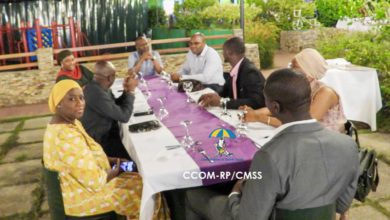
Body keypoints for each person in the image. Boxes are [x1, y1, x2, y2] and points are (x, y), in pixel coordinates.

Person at [185, 68, 359, 220]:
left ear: (274, 107)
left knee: (191, 194)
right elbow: (342, 205)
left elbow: (248, 217)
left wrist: (234, 193)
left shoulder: (269, 156)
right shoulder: (348, 145)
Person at [43, 80, 143, 218]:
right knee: (142, 189)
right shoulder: (64, 136)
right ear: (58, 103)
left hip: (85, 181)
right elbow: (95, 181)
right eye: (71, 99)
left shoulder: (70, 123)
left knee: (136, 171)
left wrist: (112, 160)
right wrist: (117, 169)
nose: (80, 103)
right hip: (82, 197)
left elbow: (86, 156)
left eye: (82, 97)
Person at [243, 48, 346, 132]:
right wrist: (252, 112)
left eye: (294, 67)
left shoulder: (325, 93)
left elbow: (303, 123)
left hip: (324, 145)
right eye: (290, 66)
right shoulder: (298, 87)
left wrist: (259, 118)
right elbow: (278, 107)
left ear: (309, 70)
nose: (290, 70)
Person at [81, 61, 138, 159]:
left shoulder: (98, 86)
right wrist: (131, 92)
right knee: (134, 154)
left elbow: (115, 106)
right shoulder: (96, 93)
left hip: (105, 134)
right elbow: (124, 117)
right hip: (98, 142)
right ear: (109, 78)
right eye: (114, 75)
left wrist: (126, 90)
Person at [197, 37, 265, 109]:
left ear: (229, 53)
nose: (222, 53)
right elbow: (226, 90)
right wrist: (213, 96)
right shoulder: (235, 69)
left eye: (223, 51)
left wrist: (222, 102)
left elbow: (256, 102)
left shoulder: (250, 72)